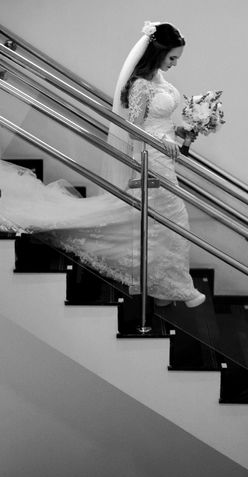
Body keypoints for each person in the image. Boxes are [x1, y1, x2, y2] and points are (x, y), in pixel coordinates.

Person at [0, 21, 205, 308]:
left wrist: (180, 132)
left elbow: (160, 121)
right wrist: (161, 140)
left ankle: (163, 286)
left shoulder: (160, 81)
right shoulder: (140, 85)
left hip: (163, 158)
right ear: (157, 53)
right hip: (149, 159)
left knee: (165, 222)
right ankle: (172, 286)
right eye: (172, 58)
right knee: (172, 218)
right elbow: (134, 129)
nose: (175, 64)